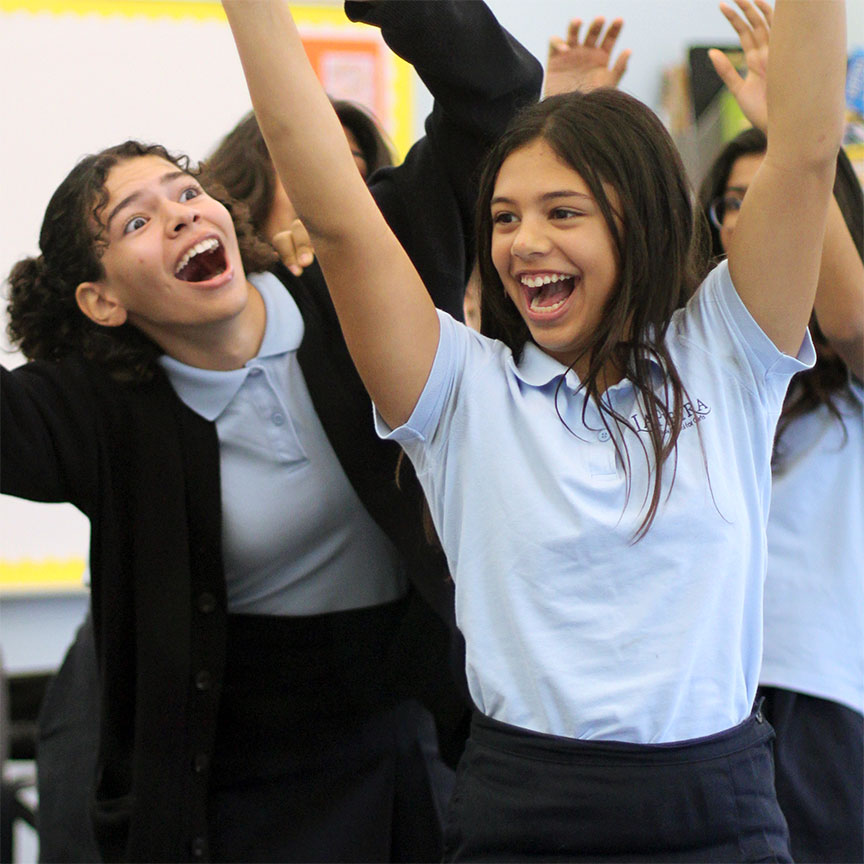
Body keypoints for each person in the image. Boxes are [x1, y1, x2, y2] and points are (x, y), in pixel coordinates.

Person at [221, 0, 846, 859]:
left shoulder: (724, 352)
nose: (523, 243)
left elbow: (808, 157)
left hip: (718, 808)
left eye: (562, 212)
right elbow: (336, 216)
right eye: (506, 217)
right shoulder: (460, 394)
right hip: (527, 813)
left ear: (638, 219)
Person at [1, 2, 543, 861]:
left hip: (420, 747)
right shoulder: (100, 410)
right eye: (136, 222)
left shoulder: (355, 295)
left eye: (185, 191)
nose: (181, 214)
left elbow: (501, 97)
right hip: (236, 795)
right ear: (102, 301)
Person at [700, 2, 864, 860]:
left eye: (761, 196)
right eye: (730, 201)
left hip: (812, 699)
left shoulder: (849, 389)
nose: (746, 218)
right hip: (693, 702)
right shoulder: (694, 368)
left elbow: (848, 319)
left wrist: (799, 149)